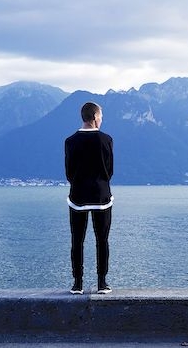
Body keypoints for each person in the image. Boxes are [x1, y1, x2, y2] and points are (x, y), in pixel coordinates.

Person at [65, 101, 114, 295]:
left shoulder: (70, 141)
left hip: (77, 196)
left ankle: (77, 283)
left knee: (77, 240)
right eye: (100, 116)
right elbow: (110, 170)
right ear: (94, 117)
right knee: (102, 240)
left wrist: (78, 182)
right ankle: (102, 283)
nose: (101, 120)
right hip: (101, 196)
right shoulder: (106, 139)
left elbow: (68, 171)